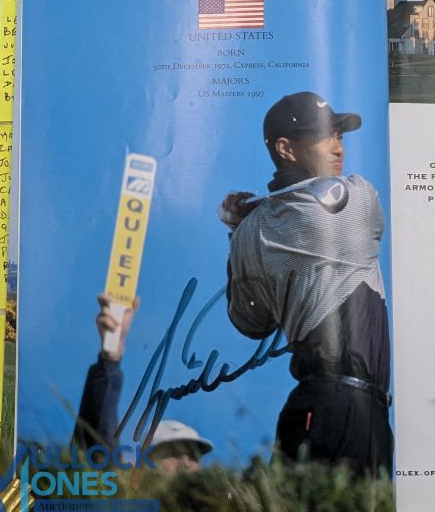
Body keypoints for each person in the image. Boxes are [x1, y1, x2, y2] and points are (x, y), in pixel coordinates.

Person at [221, 91, 393, 477]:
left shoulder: (249, 233)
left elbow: (251, 322)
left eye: (339, 135)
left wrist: (237, 229)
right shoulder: (357, 198)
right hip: (345, 409)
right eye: (323, 136)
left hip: (318, 405)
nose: (338, 147)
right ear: (285, 148)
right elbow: (366, 220)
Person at [72, 295, 213, 472]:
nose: (185, 462)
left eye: (193, 455)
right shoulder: (122, 488)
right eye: (174, 452)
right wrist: (111, 356)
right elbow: (100, 443)